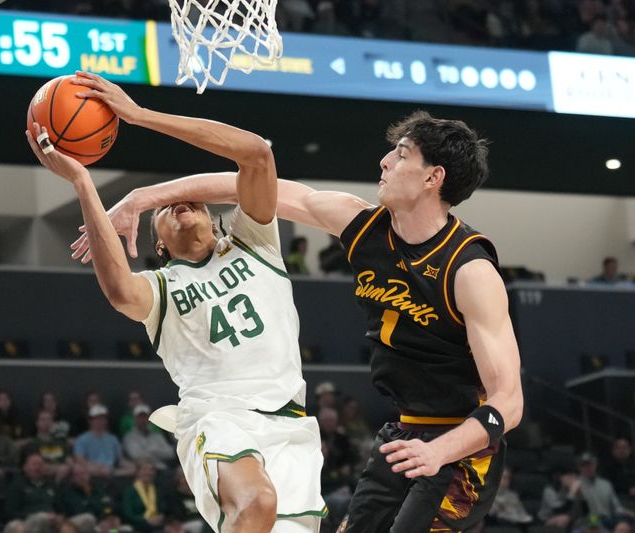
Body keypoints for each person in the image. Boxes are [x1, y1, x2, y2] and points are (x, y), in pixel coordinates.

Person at [71, 110, 523, 532]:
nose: (384, 160)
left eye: (401, 154)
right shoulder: (361, 225)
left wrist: (439, 451)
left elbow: (509, 402)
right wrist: (140, 197)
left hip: (459, 446)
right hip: (403, 432)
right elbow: (248, 181)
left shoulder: (470, 271)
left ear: (433, 177)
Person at [30, 71, 325, 533]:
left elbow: (256, 155)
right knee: (258, 503)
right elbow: (121, 292)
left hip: (291, 426)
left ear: (218, 220)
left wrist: (140, 117)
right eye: (168, 211)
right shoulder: (163, 285)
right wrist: (83, 183)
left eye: (193, 202)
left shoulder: (254, 243)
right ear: (160, 245)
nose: (181, 205)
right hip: (218, 416)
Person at [577, 452, 634, 527]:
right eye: (584, 465)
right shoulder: (575, 485)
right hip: (588, 521)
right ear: (580, 467)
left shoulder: (606, 484)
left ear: (595, 464)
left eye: (590, 464)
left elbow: (616, 507)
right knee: (595, 524)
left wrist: (629, 513)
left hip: (608, 519)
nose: (588, 467)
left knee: (624, 525)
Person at [73, 405, 126, 478]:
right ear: (90, 421)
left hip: (111, 472)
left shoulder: (113, 439)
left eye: (102, 419)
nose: (100, 421)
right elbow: (80, 460)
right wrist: (98, 468)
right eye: (97, 419)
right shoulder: (81, 439)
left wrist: (132, 466)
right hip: (91, 473)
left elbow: (120, 460)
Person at [23, 410, 73, 482]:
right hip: (44, 477)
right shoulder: (32, 444)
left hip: (65, 474)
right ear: (37, 423)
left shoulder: (61, 441)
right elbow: (35, 466)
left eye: (49, 419)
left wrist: (67, 467)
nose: (47, 422)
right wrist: (59, 469)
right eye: (43, 419)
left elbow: (70, 461)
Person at [122, 405, 175, 470]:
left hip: (161, 468)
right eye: (140, 417)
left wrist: (151, 451)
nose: (142, 420)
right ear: (135, 419)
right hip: (141, 470)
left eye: (145, 417)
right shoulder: (129, 437)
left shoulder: (157, 436)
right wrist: (157, 452)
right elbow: (135, 455)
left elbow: (170, 453)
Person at [120, 460, 167, 532]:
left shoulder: (158, 489)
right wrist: (146, 520)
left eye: (151, 470)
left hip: (158, 523)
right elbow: (127, 513)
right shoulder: (129, 490)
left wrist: (160, 516)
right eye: (144, 469)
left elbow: (163, 507)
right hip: (137, 524)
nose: (148, 473)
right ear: (137, 472)